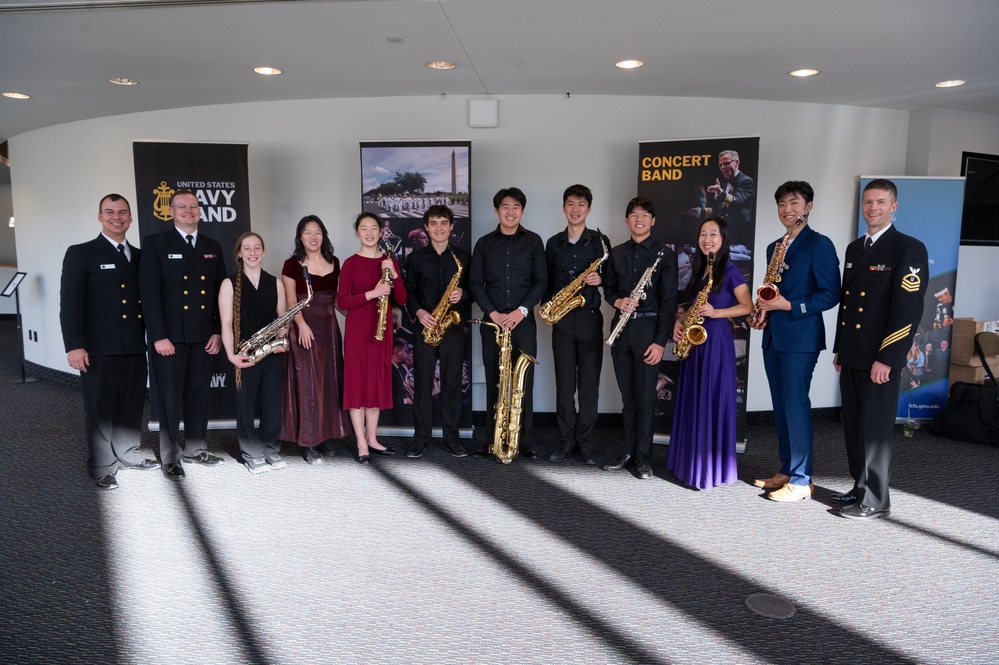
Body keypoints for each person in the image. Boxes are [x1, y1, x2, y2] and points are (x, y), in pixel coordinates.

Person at [833, 178, 928, 520]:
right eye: (868, 202)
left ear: (894, 206)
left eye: (880, 202)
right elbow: (848, 305)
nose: (873, 208)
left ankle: (876, 499)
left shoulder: (909, 248)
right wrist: (839, 350)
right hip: (853, 353)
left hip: (879, 357)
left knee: (874, 430)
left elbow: (908, 311)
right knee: (854, 426)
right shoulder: (854, 249)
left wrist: (887, 358)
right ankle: (860, 486)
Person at [59, 193, 160, 490]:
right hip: (97, 348)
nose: (117, 217)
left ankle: (128, 453)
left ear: (130, 218)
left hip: (133, 345)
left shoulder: (141, 256)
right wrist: (73, 345)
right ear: (100, 217)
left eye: (123, 212)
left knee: (131, 403)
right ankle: (102, 464)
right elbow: (70, 304)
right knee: (100, 408)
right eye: (110, 212)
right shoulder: (81, 253)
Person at [749, 181, 840, 502]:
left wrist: (788, 306)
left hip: (801, 337)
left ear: (808, 206)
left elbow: (831, 294)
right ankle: (787, 468)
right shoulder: (774, 246)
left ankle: (802, 480)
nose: (787, 210)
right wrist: (763, 311)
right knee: (780, 406)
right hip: (774, 334)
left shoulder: (820, 244)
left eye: (794, 202)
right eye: (782, 204)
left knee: (795, 404)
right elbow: (771, 290)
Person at [139, 189, 227, 479]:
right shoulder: (155, 244)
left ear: (200, 211)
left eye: (193, 206)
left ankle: (196, 448)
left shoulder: (212, 245)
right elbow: (148, 295)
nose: (188, 211)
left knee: (199, 394)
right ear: (171, 212)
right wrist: (158, 336)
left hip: (203, 336)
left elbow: (220, 294)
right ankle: (170, 456)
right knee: (169, 398)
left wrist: (217, 331)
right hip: (169, 339)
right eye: (181, 207)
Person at [666, 217, 753, 488]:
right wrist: (680, 323)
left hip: (715, 342)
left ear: (723, 239)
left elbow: (747, 306)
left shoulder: (729, 270)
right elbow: (695, 306)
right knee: (695, 400)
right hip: (696, 343)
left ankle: (709, 471)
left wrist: (717, 312)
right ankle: (690, 465)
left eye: (713, 234)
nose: (707, 239)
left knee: (710, 400)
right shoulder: (701, 268)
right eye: (703, 234)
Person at [601, 197, 678, 479]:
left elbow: (669, 302)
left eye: (645, 215)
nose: (639, 219)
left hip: (649, 333)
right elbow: (608, 290)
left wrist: (660, 342)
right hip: (620, 332)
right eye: (633, 215)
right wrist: (618, 301)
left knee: (647, 397)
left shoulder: (664, 255)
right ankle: (629, 451)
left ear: (653, 220)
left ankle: (644, 457)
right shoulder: (618, 253)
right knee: (628, 398)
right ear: (626, 220)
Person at [469, 187, 547, 460]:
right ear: (496, 210)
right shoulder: (483, 244)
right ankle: (492, 440)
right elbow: (475, 284)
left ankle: (524, 441)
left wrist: (521, 311)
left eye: (516, 207)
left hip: (522, 321)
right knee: (495, 380)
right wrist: (493, 314)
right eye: (505, 206)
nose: (510, 211)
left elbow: (541, 281)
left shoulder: (534, 242)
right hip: (493, 322)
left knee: (523, 381)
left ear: (522, 211)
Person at [543, 184, 610, 465]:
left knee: (589, 387)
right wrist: (546, 306)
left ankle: (584, 442)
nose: (575, 209)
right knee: (564, 385)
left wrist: (601, 280)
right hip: (562, 320)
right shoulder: (553, 243)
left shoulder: (600, 242)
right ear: (563, 208)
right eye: (570, 203)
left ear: (589, 209)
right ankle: (566, 440)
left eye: (581, 204)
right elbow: (545, 280)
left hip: (589, 319)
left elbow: (615, 280)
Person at [280, 215, 352, 464]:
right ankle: (308, 441)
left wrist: (361, 317)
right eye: (308, 232)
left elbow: (336, 301)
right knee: (308, 385)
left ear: (324, 235)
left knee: (328, 384)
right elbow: (291, 301)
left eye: (318, 231)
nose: (313, 236)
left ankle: (323, 436)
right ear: (300, 236)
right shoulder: (291, 264)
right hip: (304, 328)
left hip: (329, 329)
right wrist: (301, 326)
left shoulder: (335, 262)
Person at [338, 212, 407, 463]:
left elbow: (402, 299)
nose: (369, 233)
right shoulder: (350, 263)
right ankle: (360, 441)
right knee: (357, 384)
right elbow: (342, 301)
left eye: (374, 228)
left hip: (382, 330)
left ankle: (372, 438)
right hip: (358, 330)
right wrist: (372, 293)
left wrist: (394, 274)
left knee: (376, 383)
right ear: (357, 233)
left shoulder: (390, 261)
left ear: (381, 232)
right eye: (363, 228)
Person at [403, 205, 470, 459]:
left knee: (452, 383)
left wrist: (463, 294)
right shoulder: (416, 259)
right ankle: (420, 438)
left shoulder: (464, 257)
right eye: (434, 223)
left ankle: (452, 438)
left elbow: (474, 289)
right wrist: (420, 312)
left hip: (452, 328)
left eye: (444, 222)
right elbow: (409, 292)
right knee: (422, 383)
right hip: (426, 326)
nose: (439, 228)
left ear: (452, 226)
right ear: (426, 227)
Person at [218, 232, 288, 473]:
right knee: (245, 405)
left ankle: (271, 448)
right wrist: (231, 355)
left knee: (272, 405)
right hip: (245, 354)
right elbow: (226, 324)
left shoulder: (275, 282)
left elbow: (282, 318)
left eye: (257, 247)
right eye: (246, 248)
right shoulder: (229, 283)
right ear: (239, 253)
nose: (252, 252)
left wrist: (283, 331)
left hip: (272, 354)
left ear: (264, 251)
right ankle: (251, 452)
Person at [687, 150, 756, 230]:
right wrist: (700, 212)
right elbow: (723, 210)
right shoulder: (725, 184)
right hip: (726, 229)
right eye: (720, 165)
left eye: (726, 163)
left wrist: (721, 193)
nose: (722, 167)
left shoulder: (746, 181)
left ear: (737, 162)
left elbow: (736, 202)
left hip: (740, 231)